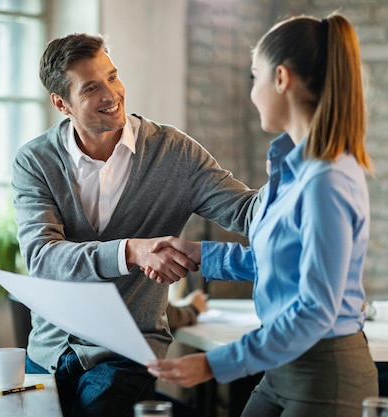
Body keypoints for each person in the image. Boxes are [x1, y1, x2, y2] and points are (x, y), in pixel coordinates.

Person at [12, 32, 262, 417]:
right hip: (49, 351)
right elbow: (43, 258)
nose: (110, 94)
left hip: (126, 350)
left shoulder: (175, 153)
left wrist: (304, 173)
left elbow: (247, 211)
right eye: (92, 87)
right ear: (61, 103)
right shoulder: (35, 162)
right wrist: (131, 250)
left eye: (112, 77)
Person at [145, 12, 378, 416]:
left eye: (255, 76)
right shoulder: (290, 170)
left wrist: (214, 364)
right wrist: (198, 253)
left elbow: (315, 307)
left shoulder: (327, 179)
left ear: (282, 79)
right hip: (279, 363)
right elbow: (279, 262)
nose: (252, 92)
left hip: (324, 372)